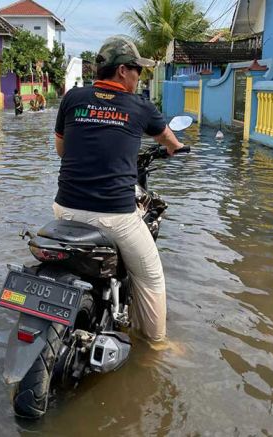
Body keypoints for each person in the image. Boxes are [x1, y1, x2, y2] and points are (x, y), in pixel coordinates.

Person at [52, 36, 185, 343]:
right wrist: (176, 148)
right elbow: (169, 140)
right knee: (151, 277)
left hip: (64, 209)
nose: (140, 77)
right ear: (123, 71)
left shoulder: (72, 98)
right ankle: (156, 346)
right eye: (137, 70)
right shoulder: (140, 106)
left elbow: (62, 150)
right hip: (114, 217)